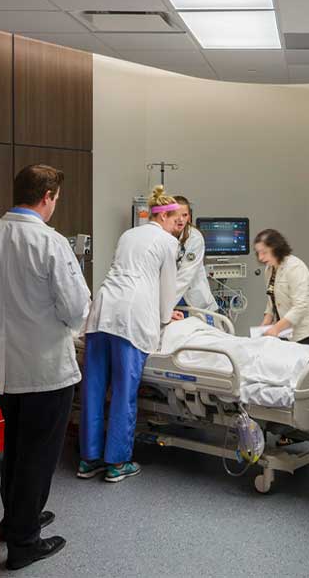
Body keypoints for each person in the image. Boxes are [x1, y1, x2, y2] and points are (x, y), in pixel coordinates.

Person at [0, 164, 91, 571]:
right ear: (48, 196)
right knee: (37, 454)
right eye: (56, 199)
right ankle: (24, 542)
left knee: (15, 447)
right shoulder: (49, 243)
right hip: (44, 368)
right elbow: (76, 308)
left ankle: (16, 519)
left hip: (1, 369)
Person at [78, 185, 184, 484]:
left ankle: (88, 460)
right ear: (163, 217)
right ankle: (117, 462)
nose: (180, 225)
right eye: (177, 219)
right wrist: (166, 317)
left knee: (94, 389)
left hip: (102, 310)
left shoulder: (129, 234)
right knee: (124, 391)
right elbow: (167, 286)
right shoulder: (167, 241)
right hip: (132, 315)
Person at [254, 229, 309, 346]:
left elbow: (300, 306)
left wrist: (276, 329)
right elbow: (271, 302)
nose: (260, 258)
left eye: (264, 252)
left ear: (276, 248)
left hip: (307, 328)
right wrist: (262, 329)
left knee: (303, 362)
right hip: (287, 328)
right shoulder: (269, 269)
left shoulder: (295, 267)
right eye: (258, 253)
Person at [173, 195, 218, 312]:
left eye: (185, 215)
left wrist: (162, 308)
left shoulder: (194, 238)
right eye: (176, 214)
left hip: (195, 300)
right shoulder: (163, 236)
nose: (181, 219)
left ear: (189, 217)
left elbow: (184, 277)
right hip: (174, 298)